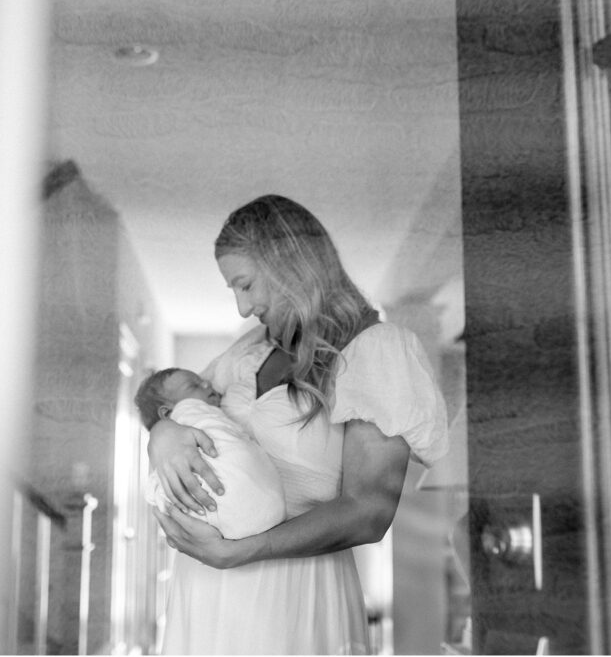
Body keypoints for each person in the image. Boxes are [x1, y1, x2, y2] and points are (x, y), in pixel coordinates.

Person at [149, 195, 450, 655]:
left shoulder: (376, 352)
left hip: (294, 595)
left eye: (246, 285)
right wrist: (161, 434)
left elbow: (368, 512)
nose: (242, 308)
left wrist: (243, 551)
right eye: (233, 290)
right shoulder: (246, 352)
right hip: (206, 591)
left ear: (290, 264)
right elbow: (180, 412)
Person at [134, 367, 286, 540]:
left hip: (257, 514)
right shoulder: (187, 415)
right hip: (265, 511)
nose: (207, 384)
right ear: (167, 413)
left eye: (204, 381)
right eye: (193, 386)